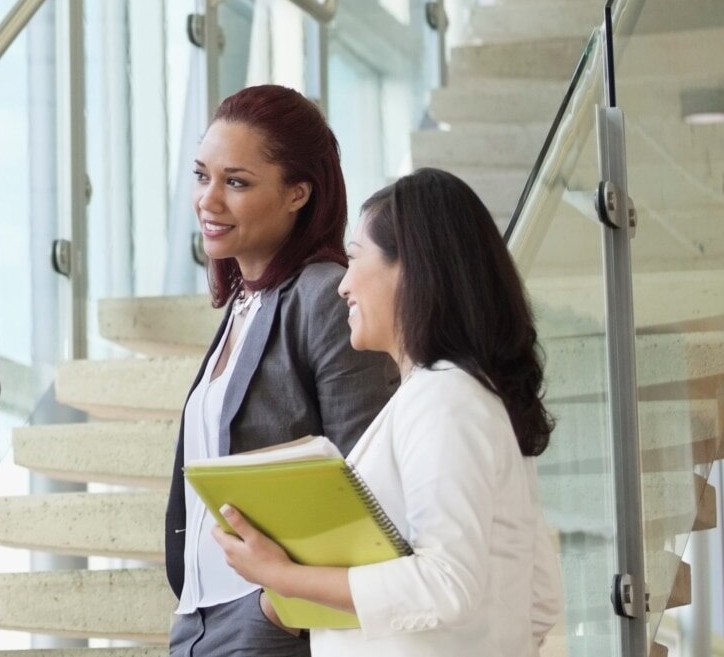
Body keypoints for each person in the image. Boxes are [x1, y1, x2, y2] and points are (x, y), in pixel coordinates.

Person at [214, 167, 563, 655]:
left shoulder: (443, 398)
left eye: (355, 259)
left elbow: (446, 584)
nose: (343, 285)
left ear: (412, 269)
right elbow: (541, 598)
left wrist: (284, 576)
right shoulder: (460, 395)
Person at [168, 85, 401, 656]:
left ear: (299, 193)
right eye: (202, 176)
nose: (208, 200)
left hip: (269, 621)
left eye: (237, 182)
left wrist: (279, 612)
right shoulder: (247, 304)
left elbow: (370, 483)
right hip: (200, 619)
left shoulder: (324, 297)